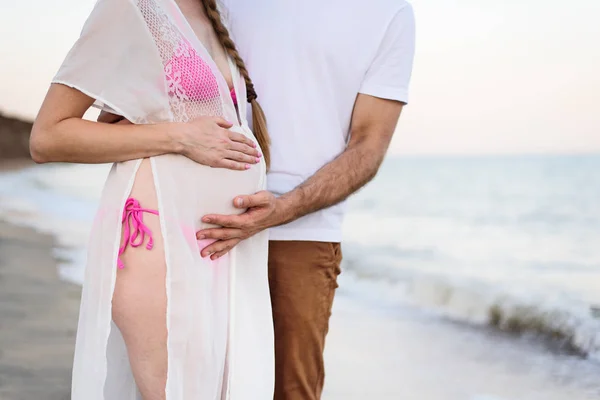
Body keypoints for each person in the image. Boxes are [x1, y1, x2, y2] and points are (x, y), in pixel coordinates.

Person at [30, 0, 275, 399]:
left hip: (221, 250)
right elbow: (48, 136)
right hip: (157, 237)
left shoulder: (220, 14)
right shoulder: (130, 7)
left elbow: (133, 111)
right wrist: (179, 136)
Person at [193, 1, 417, 399]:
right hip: (198, 218)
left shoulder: (388, 12)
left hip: (301, 236)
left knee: (291, 392)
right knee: (187, 384)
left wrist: (284, 208)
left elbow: (368, 145)